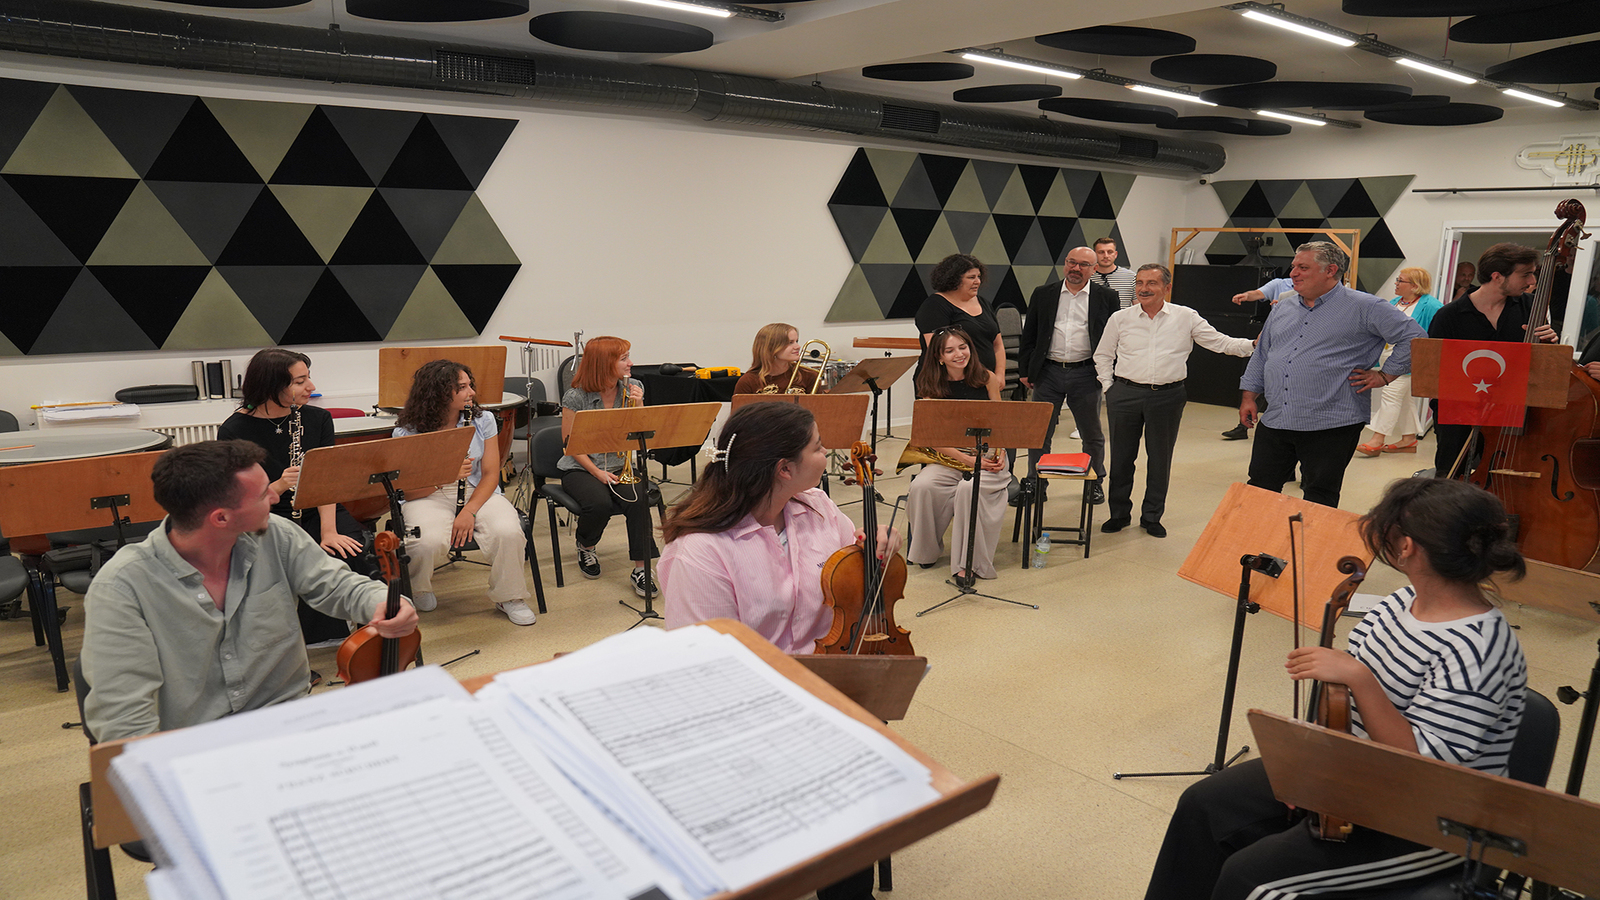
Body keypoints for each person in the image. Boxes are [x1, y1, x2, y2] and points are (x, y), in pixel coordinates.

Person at [1143, 477, 1527, 900]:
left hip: (1434, 823)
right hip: (1354, 776)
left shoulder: (1479, 647)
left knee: (1251, 881)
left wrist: (1359, 679)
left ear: (1406, 547)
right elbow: (1341, 707)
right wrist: (1310, 770)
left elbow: (1424, 768)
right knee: (1203, 806)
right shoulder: (1399, 602)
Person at [80, 440, 418, 742]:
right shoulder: (122, 586)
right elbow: (123, 716)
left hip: (288, 725)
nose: (275, 496)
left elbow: (338, 585)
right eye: (262, 494)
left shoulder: (277, 534)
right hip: (194, 743)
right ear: (221, 519)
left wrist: (384, 602)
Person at [660, 401, 901, 653]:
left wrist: (876, 545)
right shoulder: (700, 551)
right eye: (817, 447)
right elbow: (709, 655)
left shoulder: (819, 506)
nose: (826, 451)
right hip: (758, 675)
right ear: (785, 469)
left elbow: (858, 578)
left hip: (831, 661)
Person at [1239, 241, 1427, 508]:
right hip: (1278, 417)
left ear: (1330, 270)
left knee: (1319, 495)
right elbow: (1263, 354)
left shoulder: (1366, 306)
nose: (1293, 273)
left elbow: (1415, 337)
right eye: (1293, 266)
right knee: (1260, 488)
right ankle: (1260, 536)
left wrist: (1386, 375)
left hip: (1331, 422)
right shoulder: (1282, 308)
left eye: (1303, 267)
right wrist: (1249, 396)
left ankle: (1311, 538)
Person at [217, 348, 375, 647]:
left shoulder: (318, 419)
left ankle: (374, 632)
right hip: (267, 514)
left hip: (319, 505)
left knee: (353, 550)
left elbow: (327, 481)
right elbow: (237, 498)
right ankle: (316, 635)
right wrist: (279, 485)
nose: (311, 387)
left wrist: (329, 531)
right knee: (294, 559)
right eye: (300, 382)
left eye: (308, 378)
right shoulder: (234, 430)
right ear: (272, 385)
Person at [1094, 264, 1254, 538]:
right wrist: (1109, 388)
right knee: (1121, 459)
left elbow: (1220, 343)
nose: (1144, 288)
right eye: (1140, 283)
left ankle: (1152, 517)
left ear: (1167, 288)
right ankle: (1118, 514)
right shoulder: (1120, 318)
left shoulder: (1186, 316)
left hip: (1167, 397)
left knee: (1160, 459)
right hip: (1125, 394)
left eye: (1151, 283)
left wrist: (1253, 345)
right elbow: (1103, 355)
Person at [393, 359, 534, 625]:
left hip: (476, 489)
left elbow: (490, 474)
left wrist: (469, 511)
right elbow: (408, 491)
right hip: (427, 494)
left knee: (508, 532)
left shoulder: (482, 420)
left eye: (470, 385)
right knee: (426, 541)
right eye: (462, 387)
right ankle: (419, 587)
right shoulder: (407, 431)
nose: (471, 392)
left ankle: (509, 596)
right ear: (438, 393)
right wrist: (445, 476)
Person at [1428, 243, 1559, 478]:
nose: (1532, 281)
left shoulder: (1532, 307)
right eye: (1525, 274)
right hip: (1458, 416)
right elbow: (1433, 371)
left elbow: (1541, 366)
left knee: (1503, 478)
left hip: (1512, 413)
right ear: (1497, 276)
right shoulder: (1449, 316)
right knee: (1451, 478)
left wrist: (1550, 344)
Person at [1018, 245, 1121, 503]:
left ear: (1094, 269)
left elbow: (1116, 338)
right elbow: (1029, 335)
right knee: (1039, 433)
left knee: (1091, 434)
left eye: (1083, 265)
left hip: (1086, 373)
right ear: (1065, 263)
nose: (1076, 268)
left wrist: (1109, 374)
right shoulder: (1043, 293)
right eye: (1071, 262)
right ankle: (1036, 483)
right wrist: (1025, 370)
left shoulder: (1107, 297)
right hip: (1048, 372)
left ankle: (1094, 482)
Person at [905, 326, 1007, 580]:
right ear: (939, 357)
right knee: (922, 486)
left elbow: (1001, 421)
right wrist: (966, 460)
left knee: (968, 490)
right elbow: (931, 437)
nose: (959, 354)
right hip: (950, 456)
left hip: (986, 454)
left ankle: (969, 563)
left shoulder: (987, 378)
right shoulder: (930, 385)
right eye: (950, 351)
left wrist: (1001, 450)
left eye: (963, 347)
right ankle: (926, 552)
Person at [560, 335, 658, 598]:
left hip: (619, 464)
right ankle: (586, 545)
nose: (631, 363)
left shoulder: (634, 387)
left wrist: (639, 404)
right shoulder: (575, 397)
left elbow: (642, 435)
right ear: (604, 363)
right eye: (624, 358)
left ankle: (642, 569)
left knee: (638, 500)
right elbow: (569, 445)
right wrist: (597, 473)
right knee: (599, 503)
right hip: (580, 467)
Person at [1357, 268, 1442, 457]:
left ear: (1415, 286)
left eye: (1400, 280)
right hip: (1388, 356)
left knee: (1391, 394)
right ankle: (1409, 439)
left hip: (1410, 360)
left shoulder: (1431, 306)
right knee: (1405, 401)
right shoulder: (1394, 302)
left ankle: (1377, 439)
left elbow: (1435, 335)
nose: (1396, 283)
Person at [1224, 276, 1299, 440]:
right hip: (1275, 335)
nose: (1297, 273)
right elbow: (1258, 294)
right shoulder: (1280, 285)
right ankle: (1243, 426)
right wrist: (1245, 296)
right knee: (1259, 377)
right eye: (1295, 267)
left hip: (1296, 341)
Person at [915, 253, 1004, 375]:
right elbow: (941, 351)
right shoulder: (934, 306)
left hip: (986, 379)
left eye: (978, 276)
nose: (977, 281)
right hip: (948, 380)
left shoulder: (984, 303)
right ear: (954, 279)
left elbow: (998, 345)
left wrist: (999, 376)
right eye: (971, 277)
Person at [734, 322, 819, 394]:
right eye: (790, 342)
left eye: (796, 341)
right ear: (771, 347)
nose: (798, 346)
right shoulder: (748, 381)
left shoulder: (809, 375)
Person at [1091, 237, 1137, 308]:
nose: (1106, 256)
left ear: (1115, 254)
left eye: (1110, 252)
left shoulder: (1131, 277)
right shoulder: (1087, 277)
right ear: (1094, 254)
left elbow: (1138, 307)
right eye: (1101, 252)